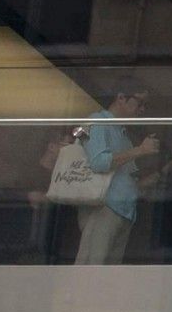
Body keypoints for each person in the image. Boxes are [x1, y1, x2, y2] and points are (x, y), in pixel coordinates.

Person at [60, 87, 162, 265]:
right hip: (104, 207)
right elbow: (99, 162)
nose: (142, 109)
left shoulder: (122, 134)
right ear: (121, 97)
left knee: (107, 274)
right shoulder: (98, 122)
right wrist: (140, 150)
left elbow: (128, 177)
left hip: (123, 211)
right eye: (140, 103)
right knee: (91, 270)